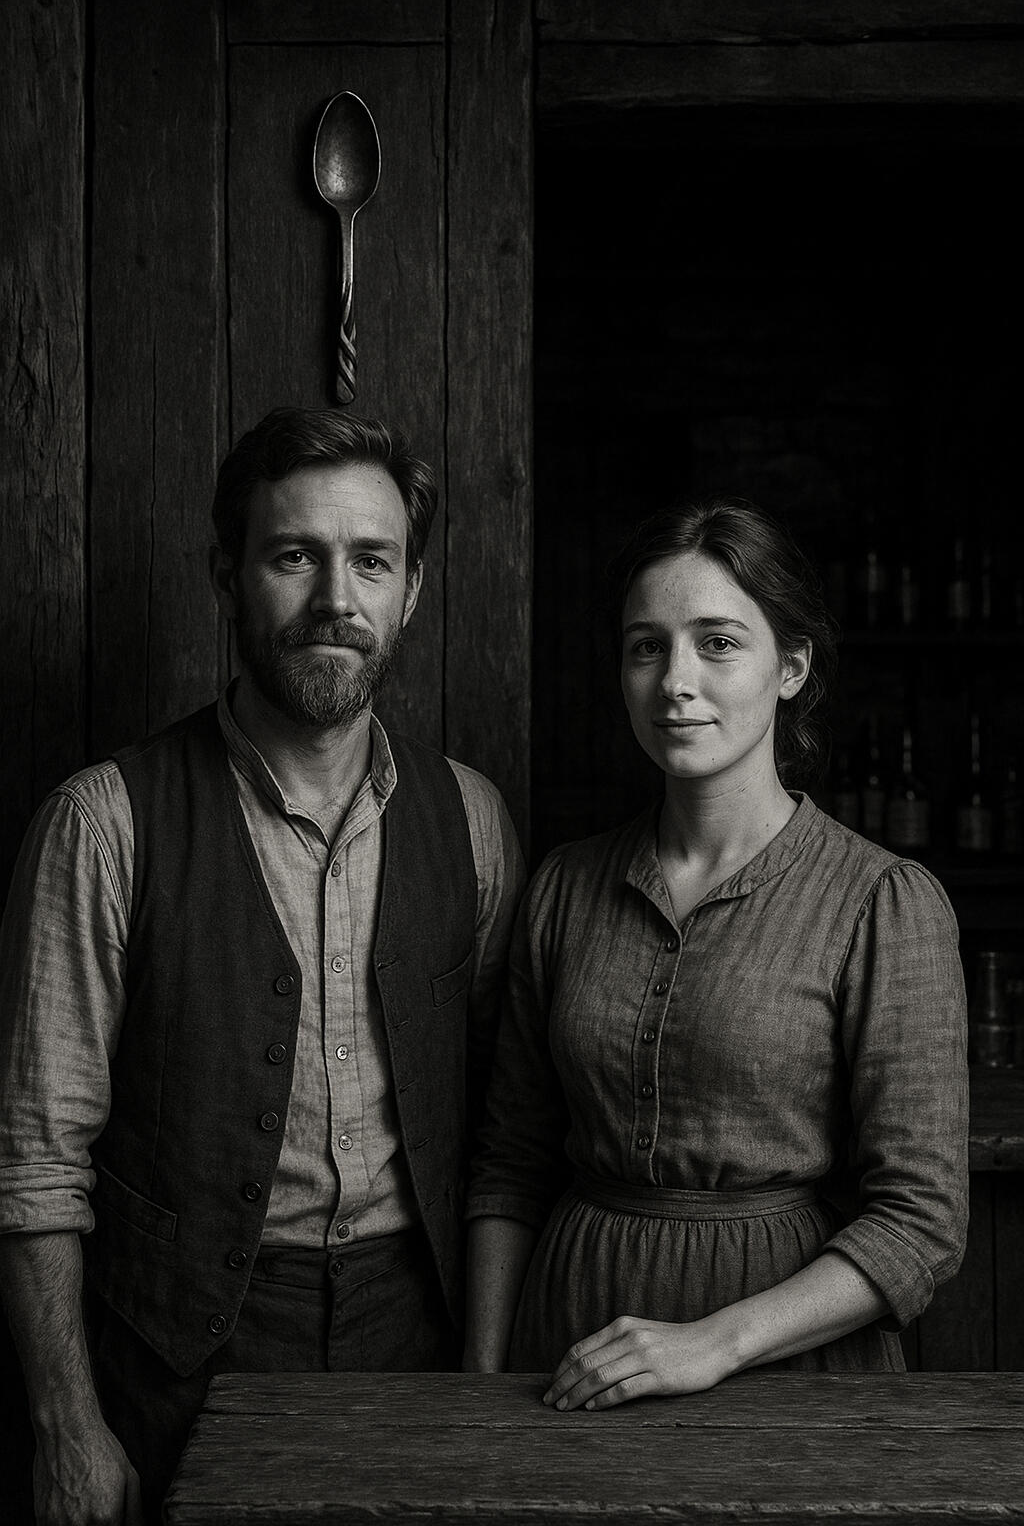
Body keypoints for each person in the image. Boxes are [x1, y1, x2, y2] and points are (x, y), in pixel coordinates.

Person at [0, 407, 525, 1523]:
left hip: (416, 1348)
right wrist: (66, 1425)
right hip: (175, 1363)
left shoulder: (473, 820)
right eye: (294, 556)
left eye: (371, 561)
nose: (337, 598)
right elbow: (37, 1159)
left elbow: (499, 1133)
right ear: (227, 577)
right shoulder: (102, 824)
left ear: (411, 592)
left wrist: (483, 1378)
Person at [464, 495, 968, 1408]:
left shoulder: (883, 902)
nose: (675, 681)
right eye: (646, 647)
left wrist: (714, 1344)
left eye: (719, 643)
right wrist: (482, 1381)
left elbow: (922, 1223)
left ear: (791, 667)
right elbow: (511, 1163)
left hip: (787, 1369)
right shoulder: (564, 886)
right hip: (564, 1343)